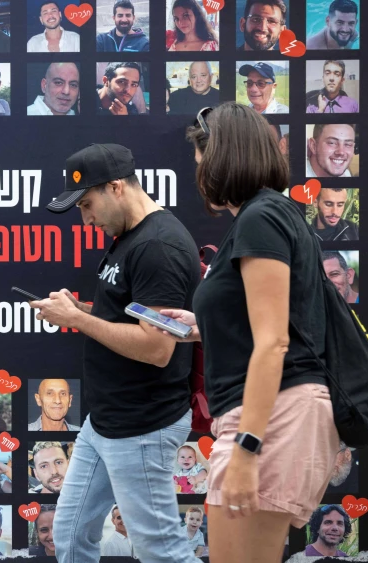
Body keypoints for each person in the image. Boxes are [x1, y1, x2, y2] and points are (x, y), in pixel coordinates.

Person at [166, 102, 344, 563]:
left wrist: (247, 448)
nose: (199, 169)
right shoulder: (266, 215)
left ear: (223, 154)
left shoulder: (261, 218)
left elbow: (274, 342)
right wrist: (198, 327)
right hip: (268, 414)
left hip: (270, 418)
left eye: (201, 157)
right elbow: (270, 325)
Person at [33, 140, 200, 560]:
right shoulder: (130, 234)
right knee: (70, 537)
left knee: (161, 551)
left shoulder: (157, 245)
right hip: (105, 421)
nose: (86, 220)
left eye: (88, 205)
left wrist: (77, 320)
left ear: (116, 188)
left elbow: (157, 346)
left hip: (142, 425)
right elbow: (131, 316)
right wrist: (83, 309)